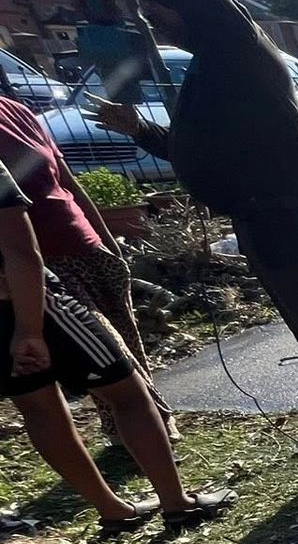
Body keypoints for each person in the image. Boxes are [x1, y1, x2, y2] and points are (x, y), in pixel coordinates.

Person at [74, 0, 298, 468]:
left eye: (157, 8)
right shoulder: (210, 68)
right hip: (259, 221)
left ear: (190, 7)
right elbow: (198, 151)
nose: (151, 18)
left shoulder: (235, 44)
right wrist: (140, 130)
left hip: (285, 219)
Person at [1, 151, 231, 531]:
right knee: (128, 393)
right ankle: (177, 503)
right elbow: (20, 250)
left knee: (38, 408)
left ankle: (114, 511)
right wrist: (29, 330)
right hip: (35, 303)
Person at [0, 93, 175, 441]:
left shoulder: (15, 111)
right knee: (110, 351)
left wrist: (108, 242)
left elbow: (66, 183)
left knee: (127, 338)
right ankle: (153, 420)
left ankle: (124, 430)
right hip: (43, 262)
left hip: (87, 246)